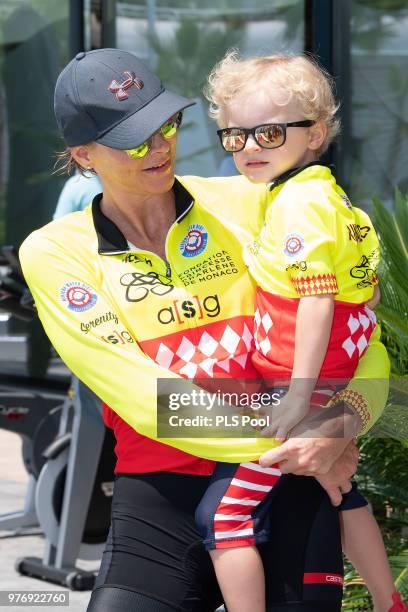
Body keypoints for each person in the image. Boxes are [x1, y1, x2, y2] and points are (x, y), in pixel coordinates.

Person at [19, 49, 389, 612]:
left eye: (166, 124)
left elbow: (363, 341)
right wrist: (302, 440)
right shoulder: (54, 252)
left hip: (285, 482)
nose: (161, 146)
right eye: (134, 139)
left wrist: (338, 424)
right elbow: (149, 400)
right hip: (163, 489)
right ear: (82, 155)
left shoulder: (255, 198)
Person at [194, 51, 405, 612]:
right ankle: (389, 602)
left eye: (266, 132)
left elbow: (316, 300)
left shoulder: (298, 206)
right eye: (233, 136)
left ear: (315, 134)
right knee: (337, 486)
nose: (248, 149)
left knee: (225, 515)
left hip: (299, 384)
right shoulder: (326, 194)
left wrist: (297, 395)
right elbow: (368, 290)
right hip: (324, 379)